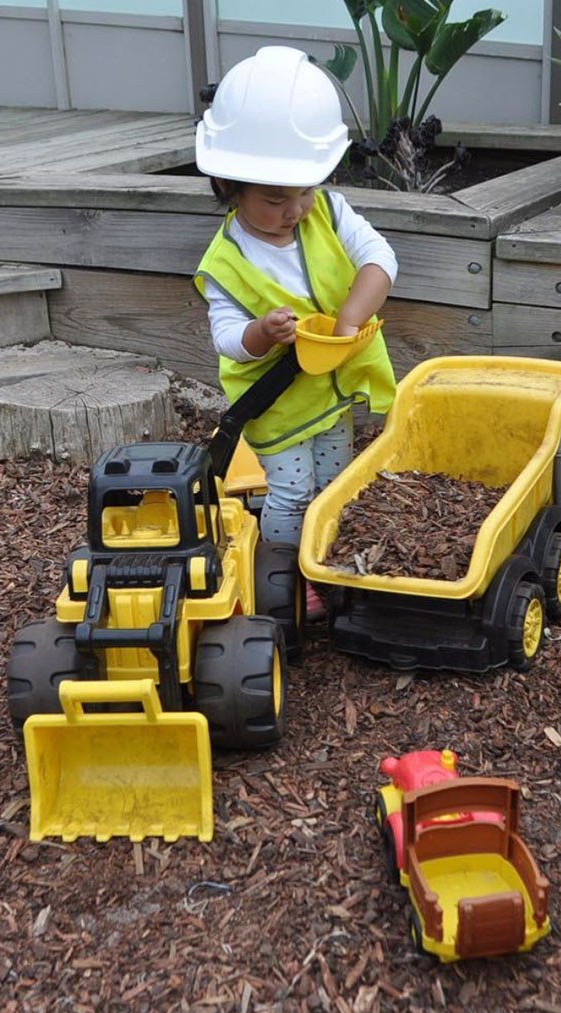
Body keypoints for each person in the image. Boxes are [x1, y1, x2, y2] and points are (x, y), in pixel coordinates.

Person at [193, 46, 398, 618]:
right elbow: (226, 337)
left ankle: (328, 554)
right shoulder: (225, 261)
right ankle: (283, 573)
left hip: (332, 392)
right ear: (229, 186)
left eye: (305, 190)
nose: (296, 210)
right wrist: (261, 332)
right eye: (275, 199)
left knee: (336, 480)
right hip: (278, 405)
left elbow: (380, 258)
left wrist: (349, 320)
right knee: (290, 490)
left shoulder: (329, 213)